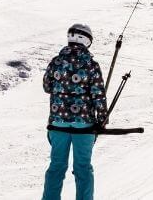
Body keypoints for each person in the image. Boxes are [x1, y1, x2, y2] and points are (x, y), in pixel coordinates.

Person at [41, 24, 108, 200]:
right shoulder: (91, 65)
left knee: (56, 167)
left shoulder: (56, 61)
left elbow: (47, 87)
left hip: (57, 123)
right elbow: (98, 95)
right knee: (83, 168)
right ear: (87, 41)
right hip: (83, 125)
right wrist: (102, 120)